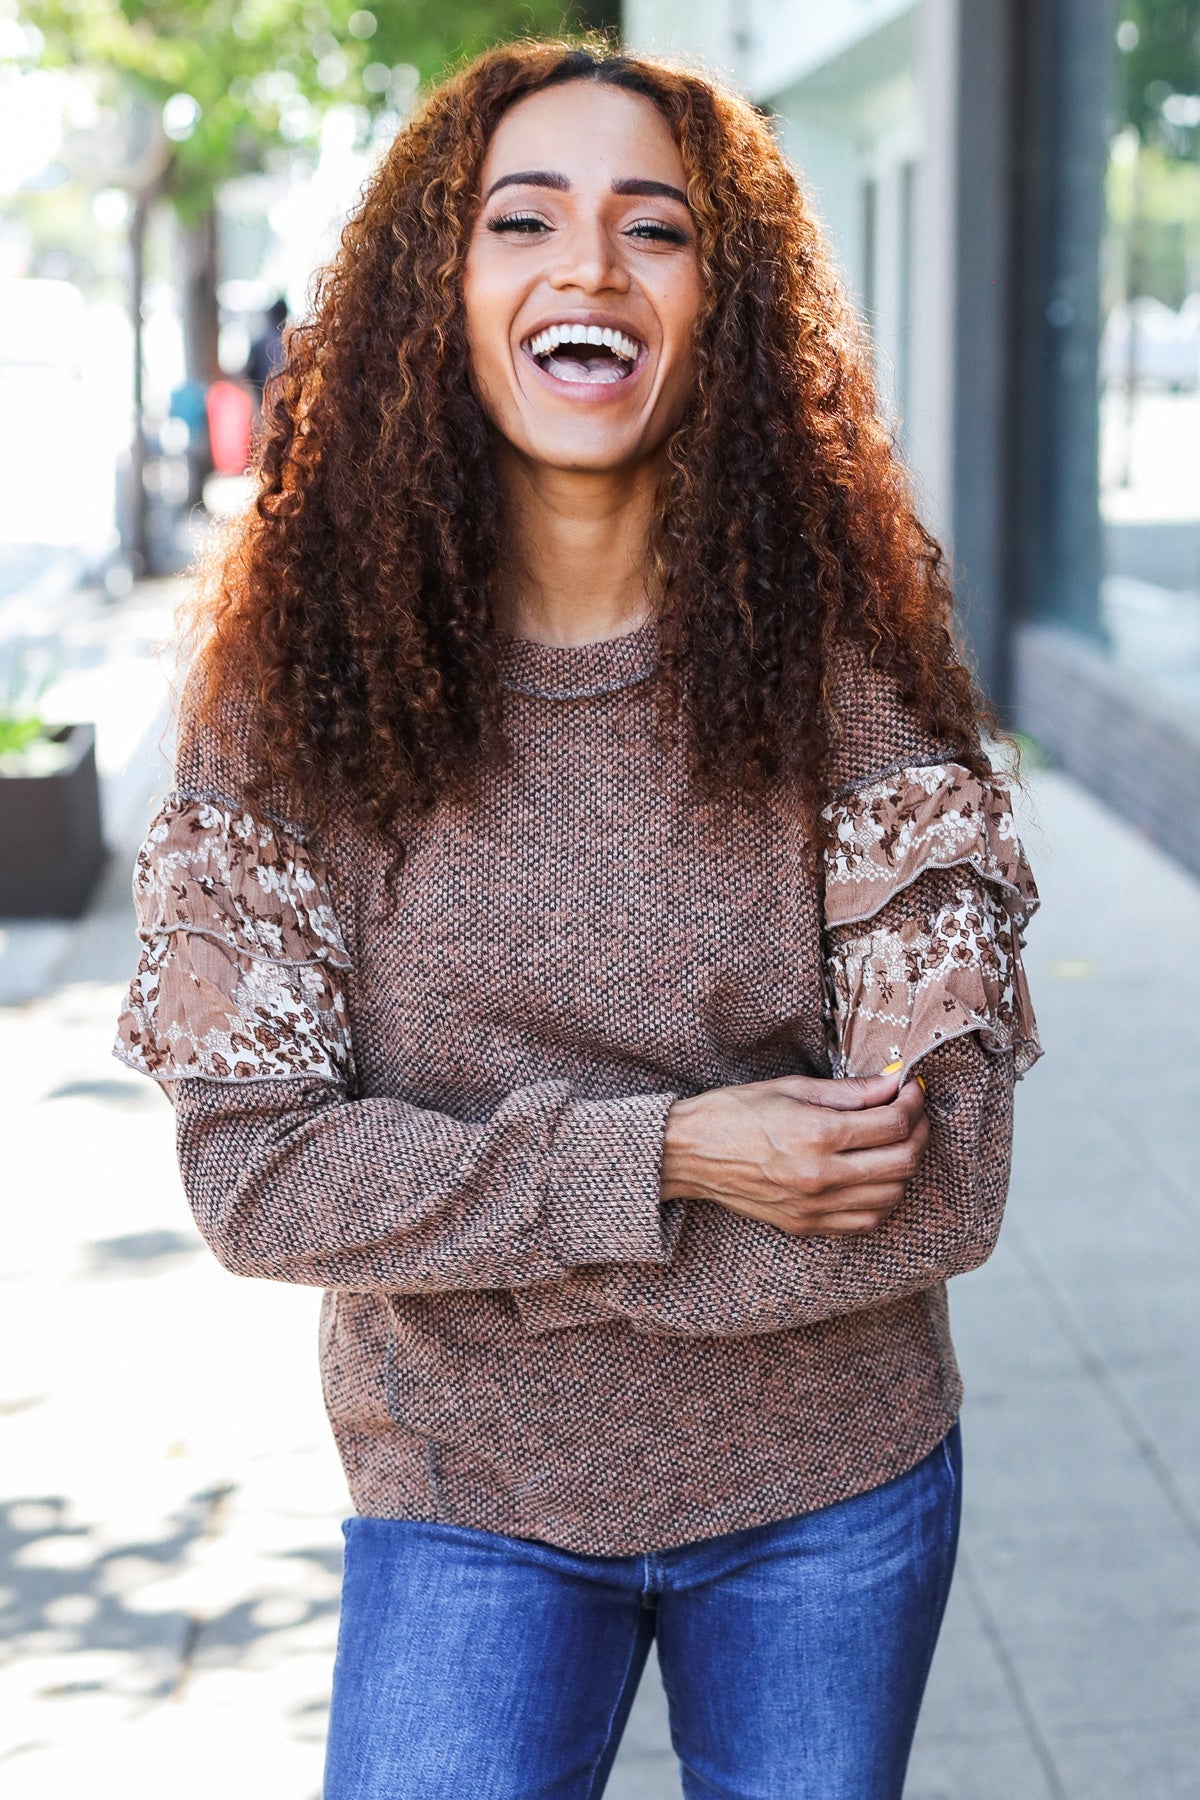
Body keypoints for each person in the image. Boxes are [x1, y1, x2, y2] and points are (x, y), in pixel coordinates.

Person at [114, 40, 1041, 1800]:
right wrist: (675, 1157)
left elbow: (951, 1177)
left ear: (728, 305)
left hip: (826, 1491)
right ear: (436, 295)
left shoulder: (860, 678)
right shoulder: (293, 698)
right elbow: (254, 1177)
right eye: (521, 219)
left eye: (657, 230)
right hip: (466, 1496)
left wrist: (474, 1252)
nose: (590, 268)